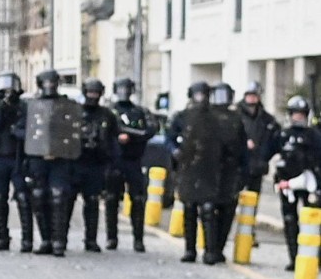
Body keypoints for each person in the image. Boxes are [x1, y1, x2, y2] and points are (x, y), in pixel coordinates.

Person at [168, 81, 224, 264]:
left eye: (203, 95)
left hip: (209, 167)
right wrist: (175, 151)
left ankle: (209, 251)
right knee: (189, 209)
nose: (201, 99)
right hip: (188, 166)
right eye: (197, 95)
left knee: (208, 209)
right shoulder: (182, 117)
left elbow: (226, 142)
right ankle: (189, 249)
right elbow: (169, 137)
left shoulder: (216, 117)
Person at [25, 69, 76, 257]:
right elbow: (23, 129)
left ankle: (59, 241)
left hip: (60, 159)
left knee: (58, 196)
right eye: (46, 83)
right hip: (37, 158)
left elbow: (74, 130)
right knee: (38, 196)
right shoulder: (32, 105)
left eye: (52, 82)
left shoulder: (66, 105)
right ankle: (46, 239)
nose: (49, 86)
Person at [105, 77, 157, 252]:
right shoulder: (110, 112)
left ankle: (138, 239)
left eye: (127, 88)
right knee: (111, 200)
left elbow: (151, 129)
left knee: (138, 200)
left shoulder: (140, 111)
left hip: (133, 161)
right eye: (120, 88)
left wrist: (132, 136)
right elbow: (103, 132)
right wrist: (116, 137)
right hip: (114, 161)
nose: (124, 92)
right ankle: (111, 238)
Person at [0, 71, 31, 252]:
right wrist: (2, 111)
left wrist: (16, 129)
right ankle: (3, 237)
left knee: (24, 197)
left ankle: (27, 239)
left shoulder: (24, 107)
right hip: (0, 158)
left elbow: (30, 131)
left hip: (18, 158)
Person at [71, 78, 119, 252]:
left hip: (96, 163)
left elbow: (114, 139)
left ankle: (90, 239)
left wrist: (112, 164)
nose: (93, 96)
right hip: (75, 161)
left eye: (96, 93)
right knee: (67, 201)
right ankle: (60, 238)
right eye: (90, 92)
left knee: (92, 203)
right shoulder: (75, 111)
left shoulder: (106, 115)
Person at [274, 96, 321, 271]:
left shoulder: (314, 136)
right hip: (289, 184)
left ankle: (315, 257)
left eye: (301, 114)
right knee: (290, 220)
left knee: (314, 221)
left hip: (309, 183)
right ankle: (294, 258)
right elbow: (271, 152)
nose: (298, 118)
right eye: (295, 114)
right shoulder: (283, 135)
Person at [209, 82, 249, 261]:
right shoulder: (207, 116)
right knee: (209, 210)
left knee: (227, 211)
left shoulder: (236, 118)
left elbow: (242, 148)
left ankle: (219, 248)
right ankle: (210, 249)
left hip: (230, 170)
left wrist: (243, 173)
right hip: (210, 169)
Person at [237, 81, 280, 195]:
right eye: (249, 95)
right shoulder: (235, 115)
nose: (252, 98)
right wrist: (243, 142)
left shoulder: (267, 119)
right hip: (238, 166)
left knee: (253, 199)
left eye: (254, 95)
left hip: (257, 166)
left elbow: (275, 139)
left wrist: (265, 155)